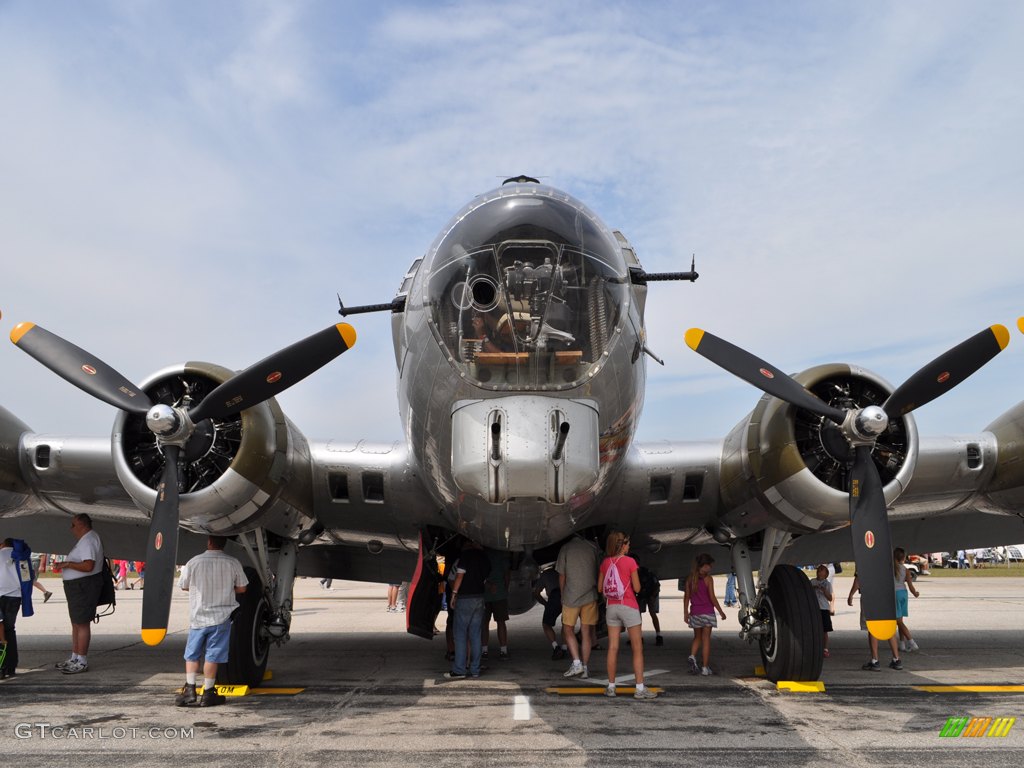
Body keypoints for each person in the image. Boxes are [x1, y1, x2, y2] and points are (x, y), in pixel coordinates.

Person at [174, 535, 248, 707]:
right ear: (224, 544)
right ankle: (208, 693)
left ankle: (190, 689)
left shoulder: (194, 561)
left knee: (192, 655)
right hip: (220, 617)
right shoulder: (232, 562)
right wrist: (227, 589)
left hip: (198, 616)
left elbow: (184, 585)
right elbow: (243, 587)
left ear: (208, 542)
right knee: (212, 656)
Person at [598, 531, 657, 699]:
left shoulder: (605, 563)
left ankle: (610, 687)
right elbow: (637, 588)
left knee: (612, 647)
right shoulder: (630, 562)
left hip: (612, 608)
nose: (629, 546)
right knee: (637, 648)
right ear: (622, 545)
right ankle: (639, 689)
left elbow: (600, 588)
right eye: (627, 544)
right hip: (629, 606)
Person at [54, 513, 103, 675]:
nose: (71, 528)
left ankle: (81, 660)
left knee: (81, 623)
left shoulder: (88, 540)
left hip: (84, 586)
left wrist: (68, 564)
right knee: (76, 622)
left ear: (82, 525)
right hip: (77, 586)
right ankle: (75, 657)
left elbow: (88, 566)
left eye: (73, 525)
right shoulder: (86, 540)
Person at [556, 533, 601, 679]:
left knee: (567, 629)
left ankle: (576, 663)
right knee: (586, 633)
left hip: (571, 597)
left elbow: (562, 575)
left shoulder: (566, 548)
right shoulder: (593, 547)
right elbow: (598, 569)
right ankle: (586, 668)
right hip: (590, 596)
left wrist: (563, 594)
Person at [445, 539, 490, 679]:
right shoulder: (484, 558)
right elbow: (486, 578)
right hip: (479, 597)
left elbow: (459, 576)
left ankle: (459, 669)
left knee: (460, 635)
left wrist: (454, 594)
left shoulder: (465, 556)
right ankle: (475, 669)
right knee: (476, 635)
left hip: (465, 598)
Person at [847, 572, 902, 671]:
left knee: (872, 628)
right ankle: (896, 659)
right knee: (888, 627)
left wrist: (851, 594)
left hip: (870, 597)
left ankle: (875, 660)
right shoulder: (885, 561)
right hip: (886, 597)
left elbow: (858, 580)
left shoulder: (865, 560)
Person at [683, 553, 727, 676]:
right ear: (703, 566)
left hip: (695, 613)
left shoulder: (689, 579)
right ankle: (705, 668)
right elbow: (712, 597)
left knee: (697, 638)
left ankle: (692, 656)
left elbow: (686, 597)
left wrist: (686, 613)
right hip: (707, 613)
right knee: (706, 639)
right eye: (709, 566)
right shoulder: (708, 579)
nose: (710, 568)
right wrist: (721, 611)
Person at [481, 548, 511, 659]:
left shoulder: (483, 554)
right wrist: (505, 590)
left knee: (484, 624)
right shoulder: (502, 554)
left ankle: (484, 650)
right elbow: (507, 574)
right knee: (501, 623)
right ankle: (503, 650)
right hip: (500, 594)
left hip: (484, 594)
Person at [532, 565, 566, 660]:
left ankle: (556, 647)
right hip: (567, 596)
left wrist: (546, 604)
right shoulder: (565, 572)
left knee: (546, 624)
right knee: (566, 624)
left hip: (554, 597)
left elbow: (536, 593)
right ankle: (564, 648)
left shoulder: (546, 574)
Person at [1, 539, 23, 678]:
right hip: (15, 596)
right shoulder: (21, 556)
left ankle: (1, 664)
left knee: (0, 630)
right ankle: (11, 666)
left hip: (0, 594)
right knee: (10, 629)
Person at [894, 548, 921, 652]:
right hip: (903, 594)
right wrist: (915, 593)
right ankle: (902, 643)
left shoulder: (891, 568)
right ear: (904, 558)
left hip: (895, 594)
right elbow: (910, 585)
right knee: (900, 620)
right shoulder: (906, 570)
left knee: (899, 621)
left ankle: (911, 641)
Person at [809, 564, 834, 657]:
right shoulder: (812, 581)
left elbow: (830, 598)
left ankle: (825, 649)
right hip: (814, 608)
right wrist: (813, 588)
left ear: (826, 574)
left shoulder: (827, 584)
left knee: (825, 630)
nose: (820, 572)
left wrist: (824, 591)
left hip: (824, 608)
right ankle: (815, 647)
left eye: (822, 570)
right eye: (819, 570)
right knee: (814, 629)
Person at [636, 563, 664, 646]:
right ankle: (658, 636)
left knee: (641, 615)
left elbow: (656, 586)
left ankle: (640, 637)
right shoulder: (647, 573)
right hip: (647, 594)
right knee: (650, 614)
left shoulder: (643, 574)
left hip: (649, 594)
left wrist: (652, 597)